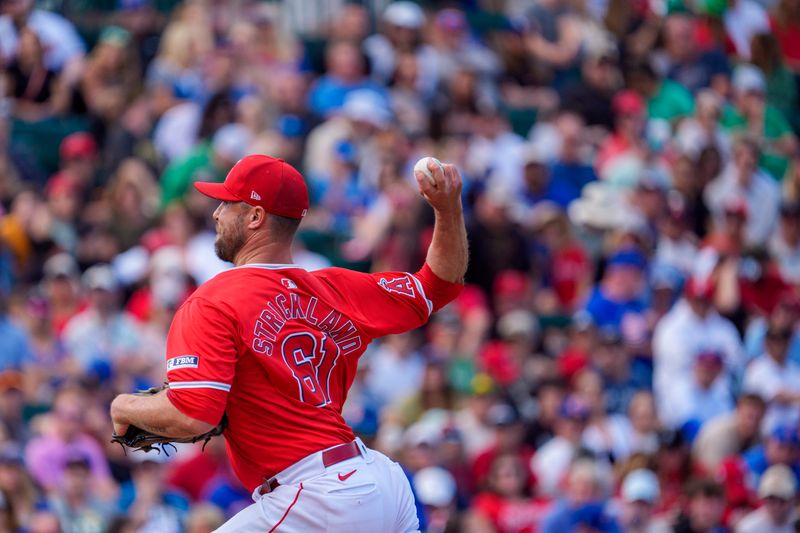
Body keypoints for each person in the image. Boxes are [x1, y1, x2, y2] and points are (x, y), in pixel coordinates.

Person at [110, 154, 468, 531]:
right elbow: (440, 285)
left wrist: (127, 408)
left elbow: (194, 413)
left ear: (254, 217)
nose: (216, 213)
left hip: (317, 495)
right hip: (379, 484)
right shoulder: (335, 289)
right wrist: (448, 209)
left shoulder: (213, 301)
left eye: (227, 203)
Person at [735, 464, 797, 533]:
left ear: (792, 499)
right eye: (771, 500)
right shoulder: (748, 528)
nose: (777, 507)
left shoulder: (796, 523)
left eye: (782, 500)